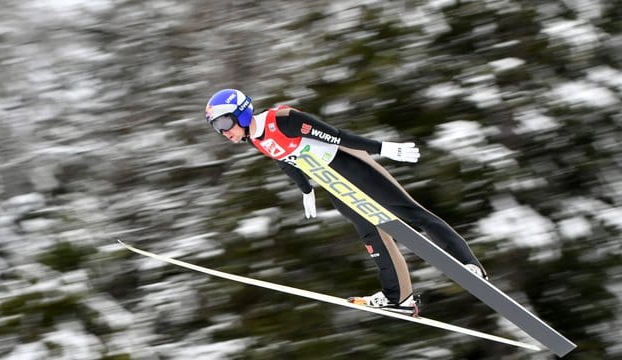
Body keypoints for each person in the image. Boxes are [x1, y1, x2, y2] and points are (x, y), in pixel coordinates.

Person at [205, 88, 487, 314]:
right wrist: (305, 189)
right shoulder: (256, 139)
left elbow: (337, 136)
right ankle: (398, 297)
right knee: (371, 234)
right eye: (216, 127)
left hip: (349, 164)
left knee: (411, 214)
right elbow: (285, 161)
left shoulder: (284, 120)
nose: (223, 131)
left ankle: (468, 263)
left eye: (224, 122)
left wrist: (383, 148)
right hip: (331, 181)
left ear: (241, 113)